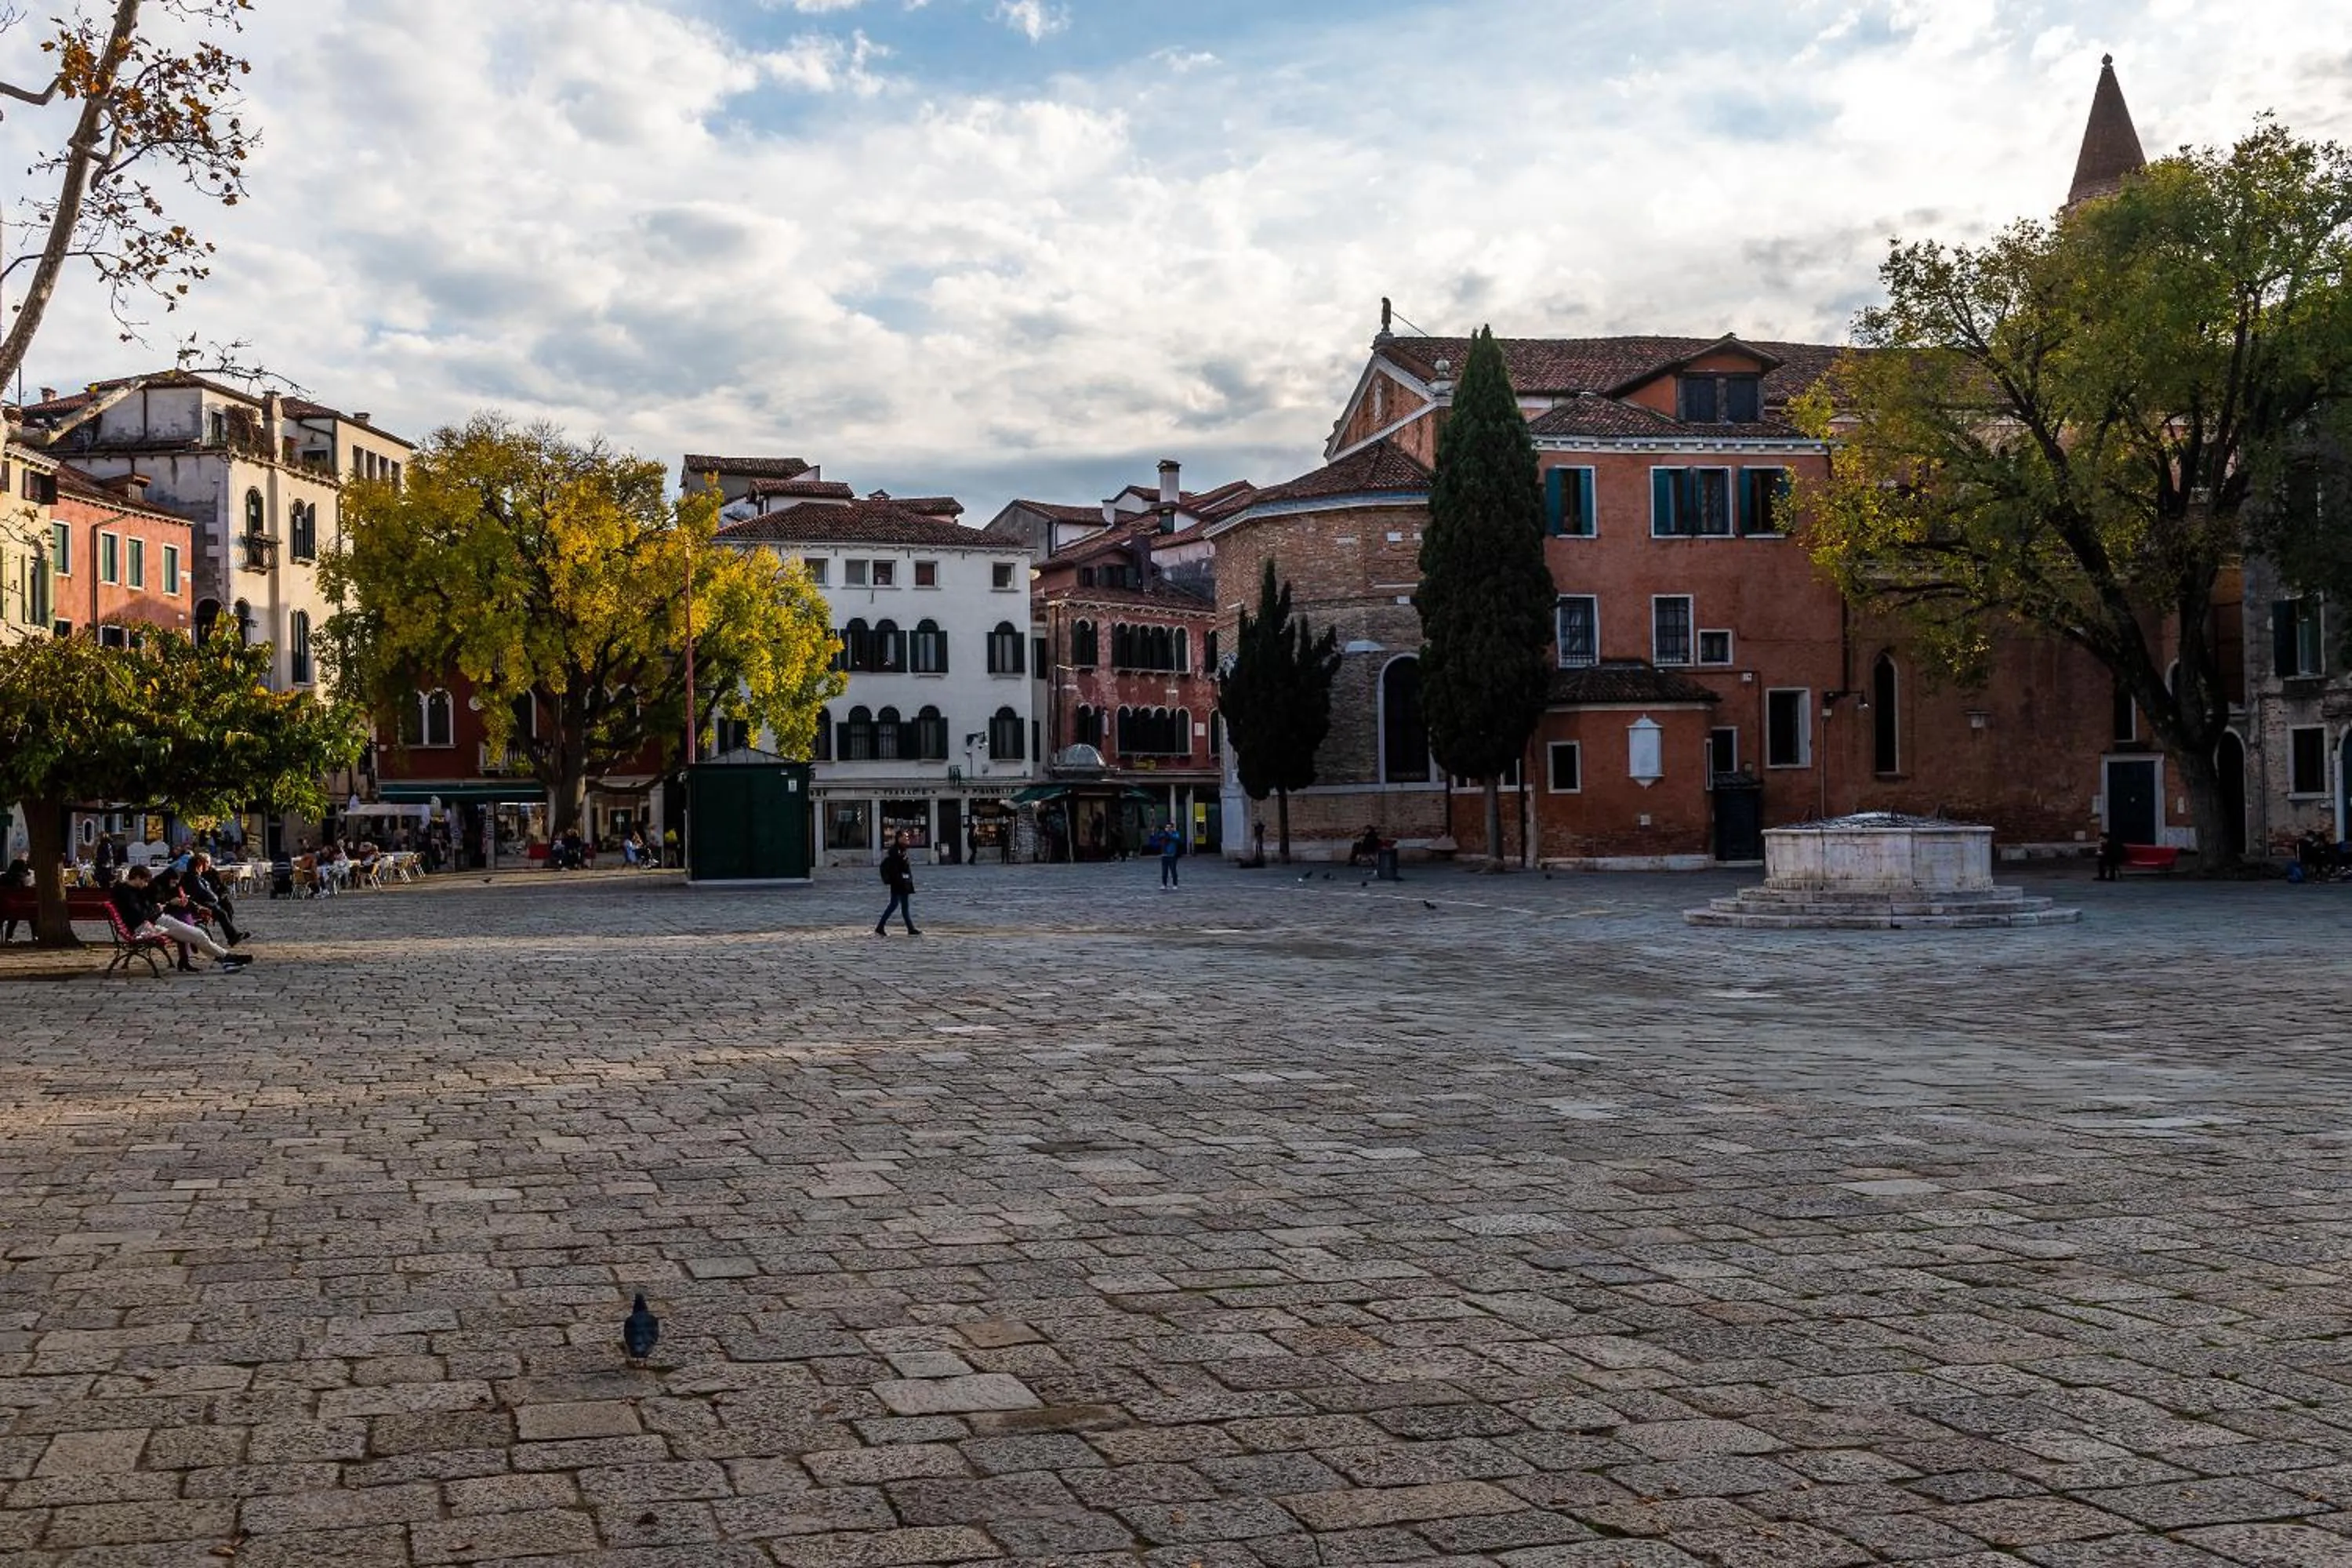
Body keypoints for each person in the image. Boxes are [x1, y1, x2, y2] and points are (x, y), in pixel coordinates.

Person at [110, 866, 249, 971]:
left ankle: (225, 958)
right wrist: (158, 908)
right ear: (137, 878)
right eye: (144, 881)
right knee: (198, 934)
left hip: (155, 921)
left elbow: (146, 909)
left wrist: (157, 907)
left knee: (198, 934)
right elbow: (141, 914)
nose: (146, 885)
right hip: (150, 925)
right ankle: (226, 958)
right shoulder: (127, 894)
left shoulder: (132, 891)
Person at [181, 852, 248, 946]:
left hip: (204, 900)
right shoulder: (194, 877)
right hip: (199, 903)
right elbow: (203, 892)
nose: (208, 865)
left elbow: (216, 887)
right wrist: (215, 898)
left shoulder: (202, 874)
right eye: (206, 863)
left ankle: (233, 934)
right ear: (199, 866)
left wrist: (219, 895)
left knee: (225, 908)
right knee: (221, 912)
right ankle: (232, 936)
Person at [875, 831, 920, 936]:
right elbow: (896, 869)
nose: (907, 838)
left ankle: (910, 928)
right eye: (905, 837)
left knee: (904, 906)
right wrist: (899, 879)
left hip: (904, 882)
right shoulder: (896, 852)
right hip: (899, 882)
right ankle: (880, 927)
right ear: (899, 838)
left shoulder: (902, 851)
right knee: (894, 905)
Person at [1, 853, 31, 943]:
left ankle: (8, 937)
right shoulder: (25, 881)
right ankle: (35, 935)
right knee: (31, 913)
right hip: (22, 909)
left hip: (4, 908)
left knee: (9, 912)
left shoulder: (3, 879)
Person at [1157, 818, 1182, 890]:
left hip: (1172, 855)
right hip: (1164, 855)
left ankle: (1175, 884)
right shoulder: (1163, 834)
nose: (1168, 829)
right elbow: (1159, 838)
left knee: (1173, 870)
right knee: (1164, 871)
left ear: (1172, 828)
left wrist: (1169, 834)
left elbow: (1176, 838)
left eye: (1169, 827)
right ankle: (1164, 884)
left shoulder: (1175, 834)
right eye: (1167, 827)